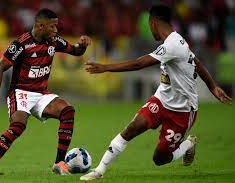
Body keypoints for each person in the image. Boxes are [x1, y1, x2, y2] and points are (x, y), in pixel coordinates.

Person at [80, 5, 232, 181]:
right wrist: (212, 86)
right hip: (161, 100)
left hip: (183, 110)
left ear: (153, 23)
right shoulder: (176, 41)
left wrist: (106, 67)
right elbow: (196, 61)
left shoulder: (173, 44)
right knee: (132, 128)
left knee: (160, 159)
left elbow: (139, 63)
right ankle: (99, 171)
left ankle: (188, 144)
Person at [0, 8, 91, 178]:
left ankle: (59, 163)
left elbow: (75, 51)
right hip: (20, 92)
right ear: (40, 26)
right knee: (18, 126)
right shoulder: (21, 44)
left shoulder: (54, 41)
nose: (56, 30)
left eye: (56, 26)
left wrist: (81, 46)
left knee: (68, 111)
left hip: (41, 93)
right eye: (52, 27)